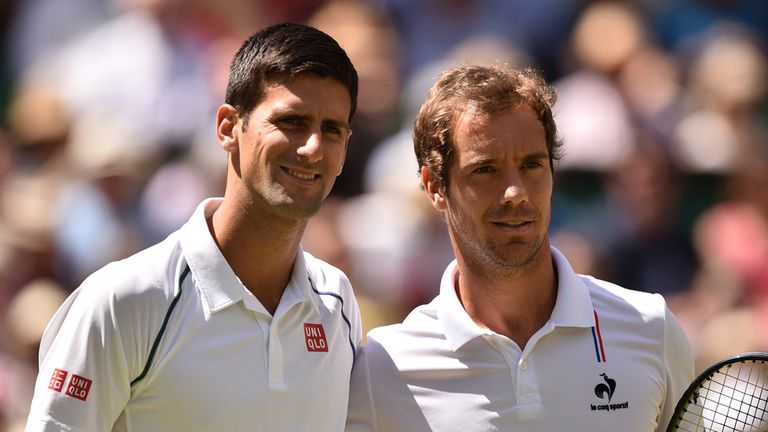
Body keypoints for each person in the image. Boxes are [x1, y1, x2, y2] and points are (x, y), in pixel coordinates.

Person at [25, 22, 362, 431]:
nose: (312, 148)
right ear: (227, 128)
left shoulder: (337, 301)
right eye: (292, 121)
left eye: (332, 130)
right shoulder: (122, 300)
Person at [346, 65, 694, 431]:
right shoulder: (383, 369)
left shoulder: (651, 327)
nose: (515, 192)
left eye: (531, 165)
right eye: (486, 170)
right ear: (434, 187)